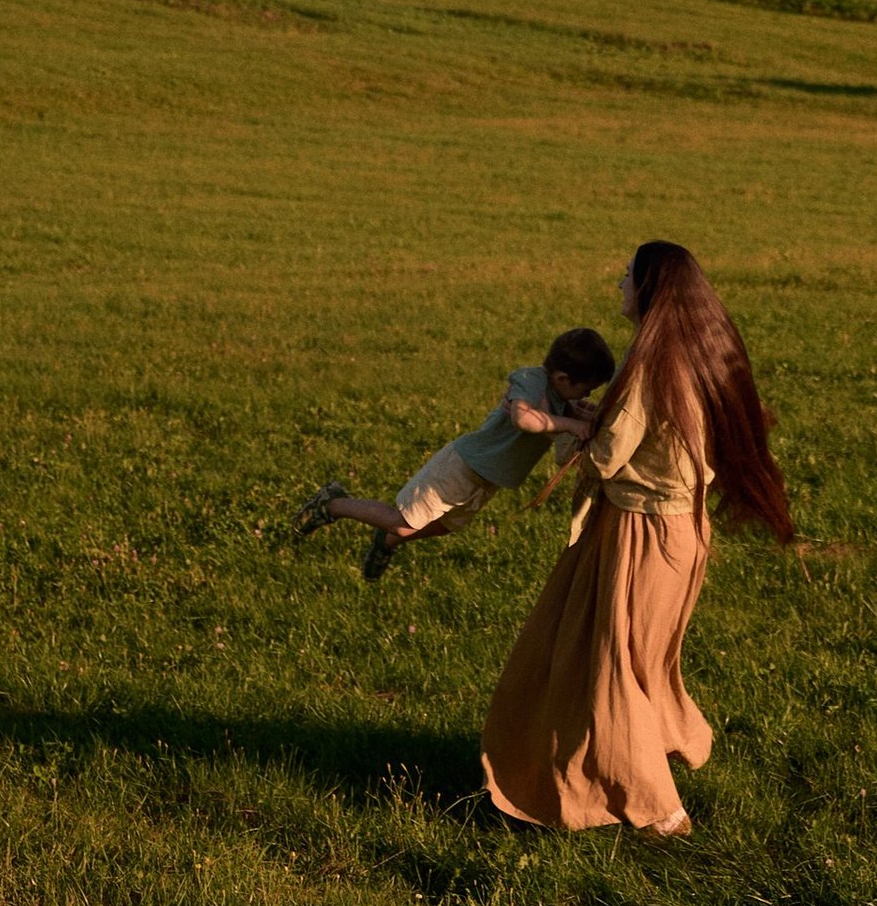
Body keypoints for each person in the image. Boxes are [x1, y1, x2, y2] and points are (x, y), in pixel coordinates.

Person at [481, 240, 794, 836]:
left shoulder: (649, 363)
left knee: (610, 664)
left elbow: (605, 458)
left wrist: (563, 425)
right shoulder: (693, 349)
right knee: (630, 658)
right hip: (681, 532)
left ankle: (657, 808)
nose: (618, 284)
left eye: (626, 275)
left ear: (648, 289)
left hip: (638, 534)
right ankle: (609, 762)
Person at [293, 326, 619, 583]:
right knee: (403, 520)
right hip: (463, 467)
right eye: (585, 389)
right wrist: (567, 423)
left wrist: (578, 413)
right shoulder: (531, 380)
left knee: (441, 526)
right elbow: (522, 418)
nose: (587, 395)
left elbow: (558, 417)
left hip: (485, 480)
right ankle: (333, 503)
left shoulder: (560, 398)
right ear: (562, 378)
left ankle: (386, 541)